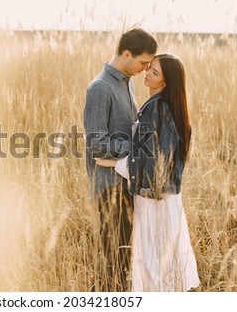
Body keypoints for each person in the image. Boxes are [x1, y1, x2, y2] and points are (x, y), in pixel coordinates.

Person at [95, 53, 200, 291]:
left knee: (154, 264)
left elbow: (151, 161)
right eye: (149, 68)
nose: (147, 73)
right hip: (167, 198)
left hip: (153, 200)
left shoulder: (156, 109)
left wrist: (113, 163)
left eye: (154, 72)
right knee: (166, 262)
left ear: (165, 82)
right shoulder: (169, 106)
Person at [84, 28, 158, 291]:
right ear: (127, 53)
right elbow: (96, 144)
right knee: (110, 263)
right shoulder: (101, 88)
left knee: (122, 259)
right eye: (142, 62)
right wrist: (136, 147)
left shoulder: (125, 82)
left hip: (125, 182)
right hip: (108, 188)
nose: (145, 69)